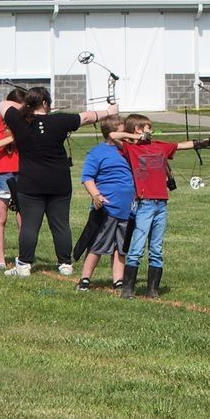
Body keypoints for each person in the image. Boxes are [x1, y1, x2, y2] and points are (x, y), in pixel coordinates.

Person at [0, 87, 118, 278]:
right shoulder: (60, 120)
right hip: (59, 181)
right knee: (61, 223)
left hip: (31, 181)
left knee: (29, 224)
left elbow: (3, 104)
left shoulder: (19, 120)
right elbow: (86, 117)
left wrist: (26, 107)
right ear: (46, 103)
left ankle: (24, 265)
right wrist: (109, 112)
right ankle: (65, 263)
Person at [110, 113, 210, 300]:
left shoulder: (159, 146)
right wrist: (139, 138)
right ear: (138, 129)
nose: (151, 130)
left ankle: (152, 290)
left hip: (161, 203)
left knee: (156, 248)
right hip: (144, 204)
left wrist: (209, 141)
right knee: (137, 247)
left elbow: (183, 145)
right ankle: (128, 290)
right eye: (148, 128)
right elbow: (114, 136)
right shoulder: (130, 149)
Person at [76, 114, 135, 292]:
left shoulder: (127, 150)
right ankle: (85, 278)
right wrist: (96, 195)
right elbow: (87, 177)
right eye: (122, 129)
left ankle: (118, 280)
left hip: (128, 208)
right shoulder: (98, 152)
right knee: (97, 244)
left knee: (121, 247)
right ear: (112, 132)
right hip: (107, 207)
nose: (126, 132)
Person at [0, 88, 26, 269]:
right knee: (1, 217)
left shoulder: (24, 122)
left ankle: (24, 256)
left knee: (23, 217)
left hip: (23, 173)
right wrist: (10, 139)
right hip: (3, 174)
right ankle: (0, 258)